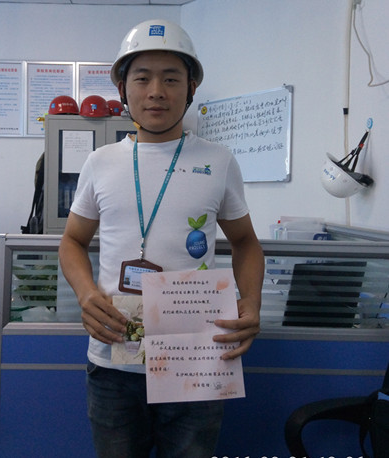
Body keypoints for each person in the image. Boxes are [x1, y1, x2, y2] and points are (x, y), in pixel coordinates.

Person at [59, 18, 265, 458]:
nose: (156, 91)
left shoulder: (218, 161)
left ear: (191, 88)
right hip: (114, 359)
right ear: (123, 88)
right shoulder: (100, 162)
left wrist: (252, 300)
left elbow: (246, 242)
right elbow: (72, 241)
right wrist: (86, 293)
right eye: (142, 78)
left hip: (196, 359)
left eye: (171, 79)